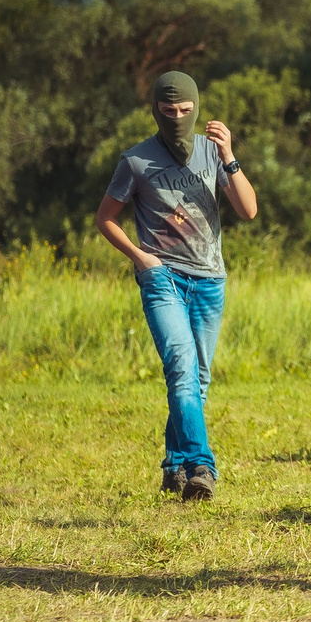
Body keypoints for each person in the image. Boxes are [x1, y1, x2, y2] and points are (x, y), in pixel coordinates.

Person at [96, 71, 257, 503]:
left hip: (209, 277)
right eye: (168, 112)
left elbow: (248, 210)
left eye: (186, 111)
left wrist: (229, 156)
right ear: (156, 110)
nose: (178, 118)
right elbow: (105, 217)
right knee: (182, 367)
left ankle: (173, 464)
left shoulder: (210, 152)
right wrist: (141, 257)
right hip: (162, 276)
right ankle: (201, 465)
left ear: (197, 107)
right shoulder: (136, 160)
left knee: (197, 378)